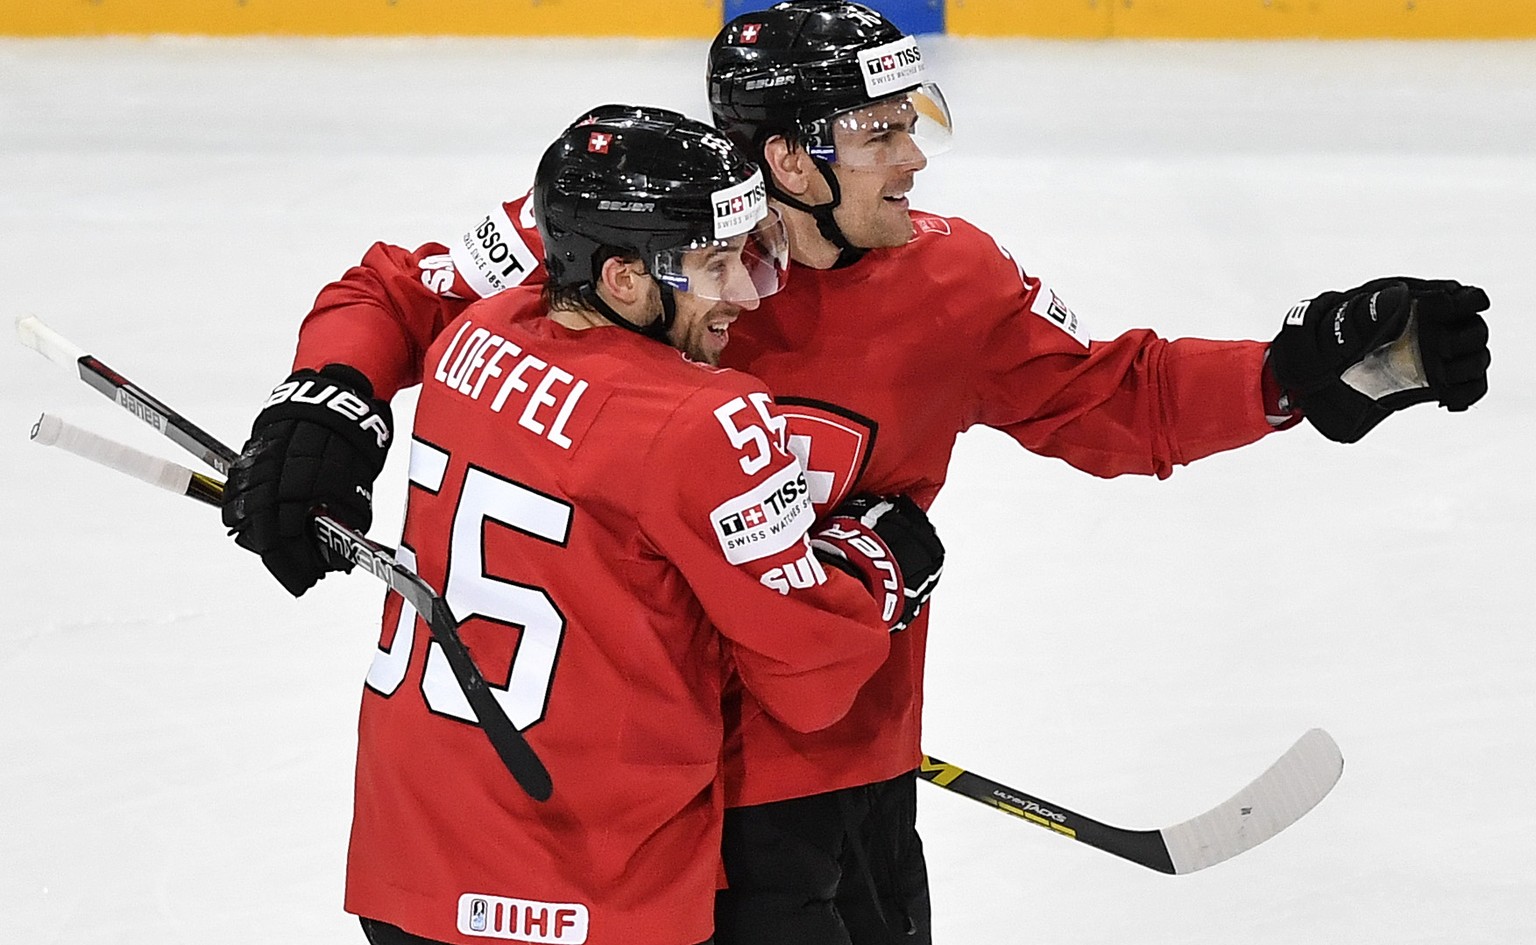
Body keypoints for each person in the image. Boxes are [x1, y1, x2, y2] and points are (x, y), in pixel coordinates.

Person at [222, 3, 1493, 944]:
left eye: (911, 122)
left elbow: (1119, 395)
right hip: (621, 798)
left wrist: (1301, 372)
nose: (917, 158)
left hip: (825, 779)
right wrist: (329, 397)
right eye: (883, 130)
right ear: (784, 158)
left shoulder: (952, 277)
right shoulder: (648, 237)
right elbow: (401, 289)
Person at [224, 103, 945, 945]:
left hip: (412, 873)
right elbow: (811, 673)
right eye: (716, 265)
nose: (745, 295)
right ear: (623, 278)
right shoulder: (706, 418)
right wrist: (873, 567)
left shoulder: (472, 337)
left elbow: (402, 289)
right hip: (592, 894)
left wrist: (328, 398)